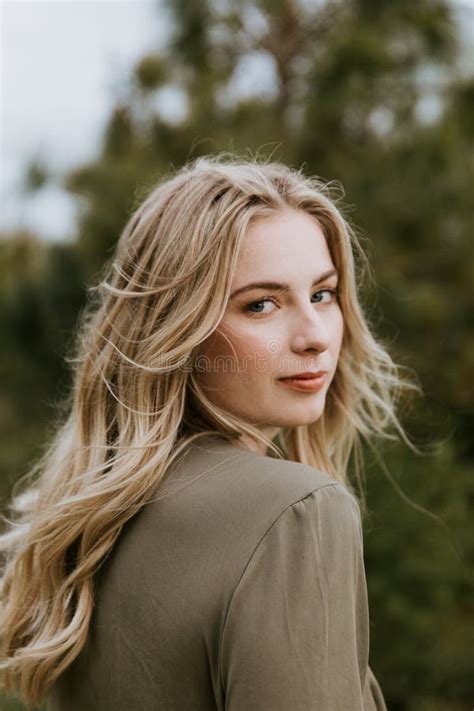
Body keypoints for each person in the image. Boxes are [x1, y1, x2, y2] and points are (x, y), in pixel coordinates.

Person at [0, 153, 415, 709]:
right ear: (178, 329)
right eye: (261, 304)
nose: (315, 334)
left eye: (323, 293)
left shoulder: (85, 522)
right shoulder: (296, 512)